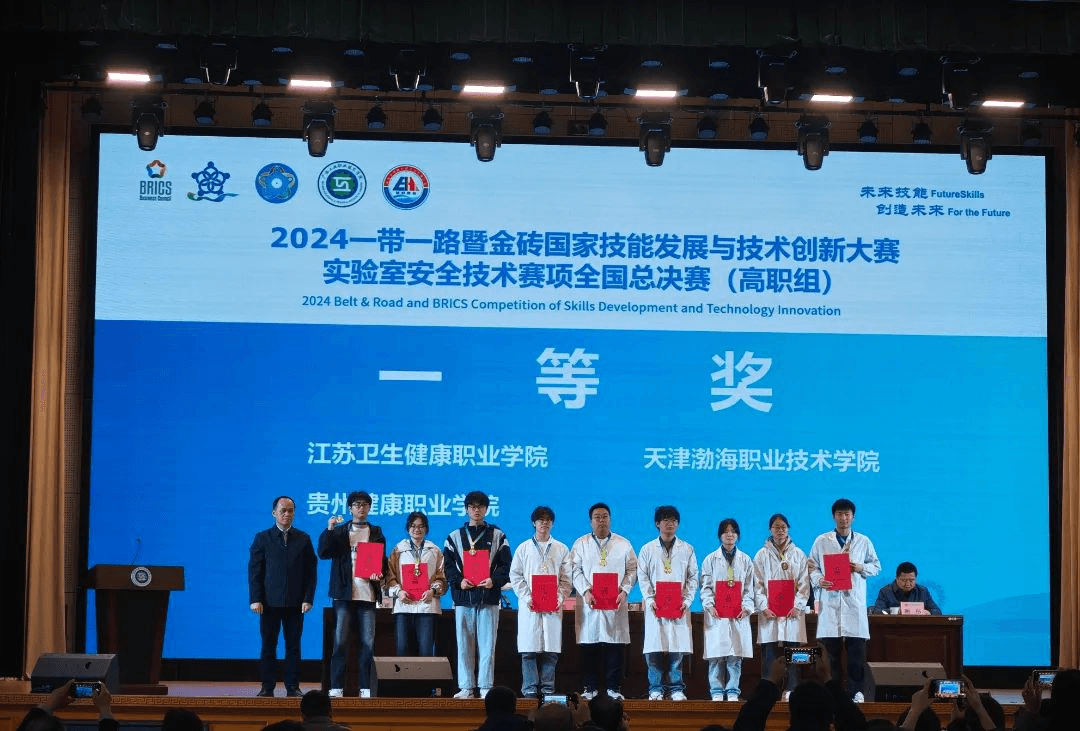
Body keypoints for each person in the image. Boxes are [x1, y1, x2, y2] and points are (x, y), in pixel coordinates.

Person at [808, 498, 881, 703]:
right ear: (833, 517)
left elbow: (876, 566)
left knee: (856, 654)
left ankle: (857, 692)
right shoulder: (822, 540)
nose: (843, 518)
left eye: (847, 514)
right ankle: (833, 694)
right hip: (830, 603)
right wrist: (819, 580)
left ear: (853, 517)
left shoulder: (863, 541)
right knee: (831, 655)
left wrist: (859, 567)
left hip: (853, 605)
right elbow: (812, 566)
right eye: (839, 514)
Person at [444, 490, 512, 699]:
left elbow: (506, 565)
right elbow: (448, 567)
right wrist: (459, 581)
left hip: (488, 597)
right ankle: (466, 687)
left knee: (487, 645)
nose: (476, 510)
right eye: (472, 507)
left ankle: (485, 686)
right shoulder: (454, 536)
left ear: (486, 509)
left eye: (480, 506)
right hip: (463, 598)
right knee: (464, 644)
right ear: (466, 509)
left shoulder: (498, 535)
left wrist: (494, 581)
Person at [318, 490, 387, 697]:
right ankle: (336, 687)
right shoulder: (340, 531)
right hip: (344, 595)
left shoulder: (376, 532)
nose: (361, 508)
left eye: (365, 504)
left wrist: (379, 573)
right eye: (357, 505)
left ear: (369, 508)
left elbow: (382, 561)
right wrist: (329, 529)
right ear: (350, 509)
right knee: (340, 643)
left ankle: (365, 687)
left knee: (368, 644)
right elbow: (323, 552)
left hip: (367, 596)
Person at [249, 495, 318, 697]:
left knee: (293, 647)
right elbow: (255, 571)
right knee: (268, 646)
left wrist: (308, 598)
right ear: (274, 513)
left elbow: (310, 573)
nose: (287, 514)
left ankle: (293, 687)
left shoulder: (303, 539)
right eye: (283, 511)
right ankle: (267, 687)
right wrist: (255, 598)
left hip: (296, 603)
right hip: (268, 603)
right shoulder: (262, 538)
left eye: (290, 511)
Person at [571, 502, 638, 701]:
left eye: (605, 516)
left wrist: (624, 590)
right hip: (589, 602)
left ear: (610, 519)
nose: (601, 520)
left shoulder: (623, 544)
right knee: (589, 646)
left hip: (615, 602)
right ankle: (589, 687)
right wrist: (585, 590)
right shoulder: (580, 544)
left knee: (615, 646)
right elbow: (574, 570)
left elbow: (632, 570)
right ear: (590, 521)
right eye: (597, 517)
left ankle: (613, 688)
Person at [509, 505, 573, 699]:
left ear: (552, 523)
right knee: (529, 651)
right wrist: (528, 597)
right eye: (540, 520)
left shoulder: (561, 548)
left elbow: (566, 579)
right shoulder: (523, 548)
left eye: (548, 520)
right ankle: (529, 688)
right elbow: (515, 576)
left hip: (552, 606)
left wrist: (559, 598)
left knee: (550, 652)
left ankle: (547, 689)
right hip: (530, 606)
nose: (544, 523)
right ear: (533, 523)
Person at [636, 504, 698, 701]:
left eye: (673, 520)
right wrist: (650, 599)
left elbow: (693, 577)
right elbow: (642, 576)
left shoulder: (687, 549)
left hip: (678, 606)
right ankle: (655, 688)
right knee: (654, 650)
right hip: (656, 607)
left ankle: (676, 688)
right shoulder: (647, 549)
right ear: (657, 524)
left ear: (678, 524)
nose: (669, 524)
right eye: (665, 520)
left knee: (676, 650)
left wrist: (687, 600)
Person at [753, 513, 811, 700]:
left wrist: (798, 606)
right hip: (769, 613)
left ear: (788, 529)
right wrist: (763, 606)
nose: (780, 530)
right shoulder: (761, 555)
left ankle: (792, 689)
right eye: (776, 527)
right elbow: (757, 584)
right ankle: (767, 691)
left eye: (783, 527)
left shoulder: (798, 554)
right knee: (769, 654)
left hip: (792, 613)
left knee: (793, 653)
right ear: (770, 530)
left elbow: (804, 583)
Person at [701, 517, 756, 701]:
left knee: (735, 656)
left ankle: (732, 690)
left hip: (738, 614)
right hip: (717, 614)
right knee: (716, 656)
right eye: (725, 532)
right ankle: (716, 691)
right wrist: (710, 606)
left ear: (738, 535)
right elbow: (705, 587)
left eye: (733, 531)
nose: (729, 535)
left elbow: (749, 589)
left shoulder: (746, 560)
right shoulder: (710, 559)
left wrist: (747, 608)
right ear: (720, 536)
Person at [384, 510, 447, 657]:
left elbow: (442, 577)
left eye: (421, 526)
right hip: (403, 607)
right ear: (408, 528)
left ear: (426, 528)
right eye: (413, 526)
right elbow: (389, 578)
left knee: (425, 653)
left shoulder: (435, 550)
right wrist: (399, 592)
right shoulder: (398, 550)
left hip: (427, 608)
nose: (417, 529)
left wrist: (433, 591)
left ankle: (425, 675)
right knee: (402, 651)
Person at [871, 562, 942, 615]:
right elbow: (877, 611)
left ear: (916, 579)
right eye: (904, 580)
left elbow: (937, 611)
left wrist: (928, 612)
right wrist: (896, 611)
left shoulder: (922, 591)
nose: (908, 584)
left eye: (911, 580)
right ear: (897, 578)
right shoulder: (885, 591)